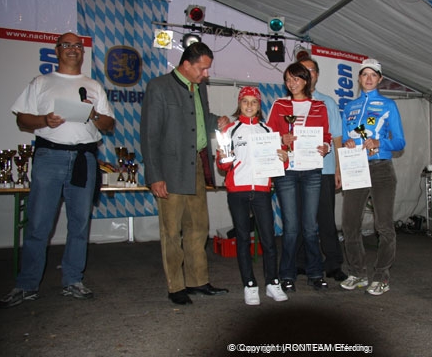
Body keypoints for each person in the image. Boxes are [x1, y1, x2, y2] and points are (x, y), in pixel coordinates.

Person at [0, 32, 115, 308]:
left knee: (80, 223)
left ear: (82, 52)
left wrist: (93, 114)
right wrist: (44, 120)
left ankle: (73, 279)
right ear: (57, 50)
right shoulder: (41, 82)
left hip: (83, 159)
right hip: (49, 157)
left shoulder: (93, 86)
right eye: (67, 45)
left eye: (78, 46)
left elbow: (109, 125)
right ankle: (27, 284)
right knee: (38, 223)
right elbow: (22, 119)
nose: (73, 49)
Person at [140, 42, 229, 305]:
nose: (206, 74)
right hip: (169, 170)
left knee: (199, 227)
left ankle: (197, 281)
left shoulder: (199, 87)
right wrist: (155, 176)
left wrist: (217, 121)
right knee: (171, 231)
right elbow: (149, 135)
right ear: (186, 65)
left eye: (207, 69)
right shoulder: (159, 87)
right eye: (202, 69)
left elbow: (199, 119)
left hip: (196, 166)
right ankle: (176, 286)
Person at [216, 86, 288, 305]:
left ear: (259, 106)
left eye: (253, 102)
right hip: (238, 190)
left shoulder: (268, 130)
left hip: (262, 190)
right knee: (243, 238)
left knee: (268, 238)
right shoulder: (229, 130)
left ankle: (272, 282)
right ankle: (249, 284)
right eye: (245, 101)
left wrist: (284, 157)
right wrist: (224, 158)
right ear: (239, 104)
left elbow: (280, 164)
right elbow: (222, 164)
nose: (249, 105)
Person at [339, 58, 405, 296]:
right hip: (355, 167)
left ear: (379, 79)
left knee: (383, 225)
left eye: (373, 74)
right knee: (349, 224)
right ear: (359, 78)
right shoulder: (349, 107)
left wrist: (380, 142)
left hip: (380, 169)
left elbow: (400, 142)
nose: (368, 78)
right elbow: (346, 137)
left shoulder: (388, 105)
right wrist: (348, 142)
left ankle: (381, 276)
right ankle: (357, 273)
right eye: (364, 74)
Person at [266, 62, 332, 292]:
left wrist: (325, 147)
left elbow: (326, 135)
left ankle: (316, 273)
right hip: (286, 171)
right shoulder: (279, 104)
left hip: (312, 169)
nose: (291, 83)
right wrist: (280, 139)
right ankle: (287, 274)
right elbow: (268, 134)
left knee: (310, 227)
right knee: (291, 227)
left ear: (306, 80)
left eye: (295, 79)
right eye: (287, 79)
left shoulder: (320, 106)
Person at [296, 57, 348, 282]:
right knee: (299, 219)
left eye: (311, 70)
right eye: (303, 70)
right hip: (297, 170)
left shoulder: (328, 103)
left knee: (326, 220)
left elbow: (337, 138)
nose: (308, 74)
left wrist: (339, 168)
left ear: (317, 75)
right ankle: (299, 262)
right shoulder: (289, 103)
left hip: (324, 170)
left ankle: (333, 264)